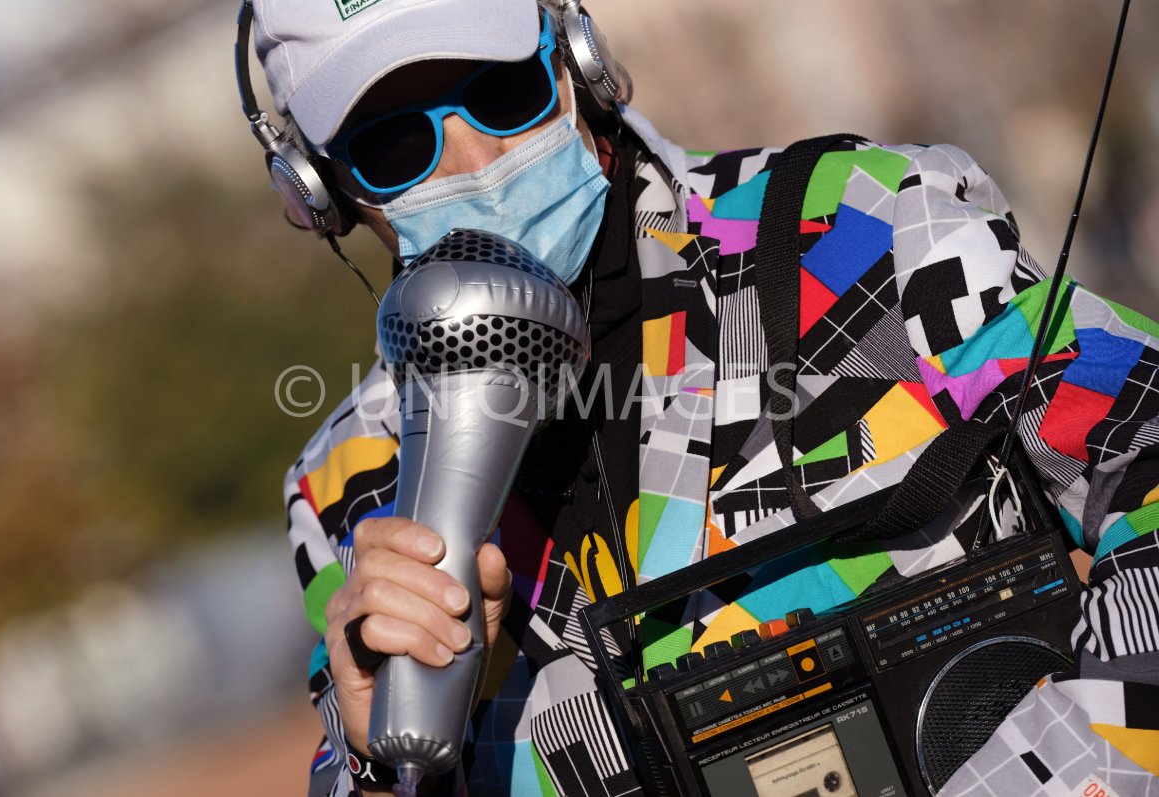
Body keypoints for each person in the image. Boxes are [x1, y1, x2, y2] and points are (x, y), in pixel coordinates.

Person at [248, 0, 1159, 794]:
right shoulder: (349, 486)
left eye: (501, 91)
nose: (474, 159)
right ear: (323, 192)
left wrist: (1071, 768)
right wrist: (378, 763)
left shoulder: (863, 225)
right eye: (396, 145)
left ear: (573, 61)